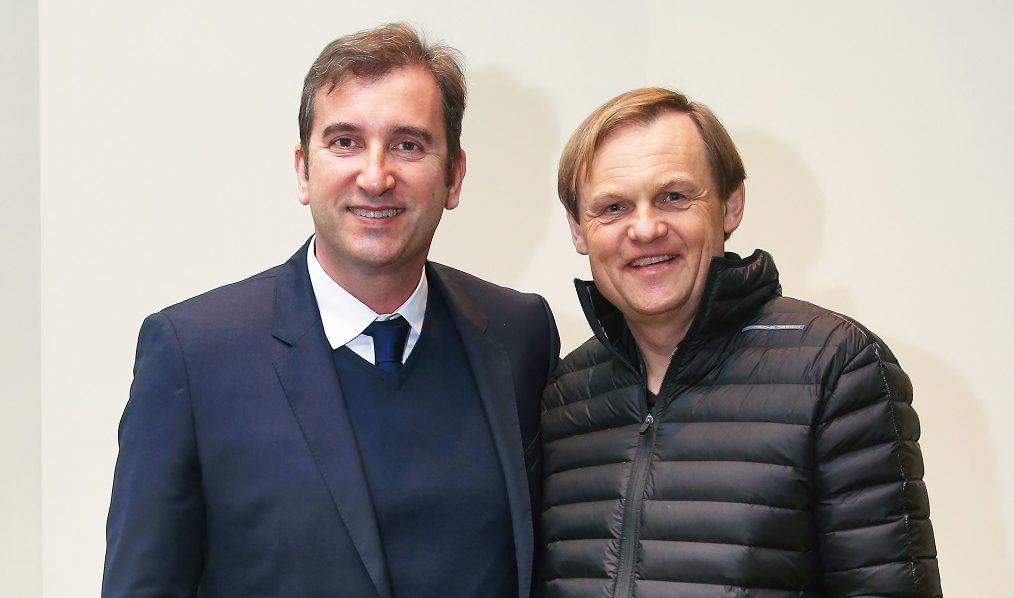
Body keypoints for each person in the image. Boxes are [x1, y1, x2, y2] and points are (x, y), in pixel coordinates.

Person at [102, 23, 559, 598]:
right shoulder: (194, 357)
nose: (376, 176)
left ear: (454, 176)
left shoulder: (519, 336)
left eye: (408, 144)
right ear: (302, 170)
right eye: (345, 142)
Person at [539, 87, 941, 596]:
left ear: (731, 205)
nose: (645, 228)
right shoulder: (563, 395)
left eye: (673, 197)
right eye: (614, 207)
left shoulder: (837, 367)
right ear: (578, 229)